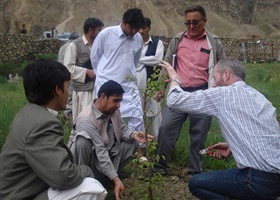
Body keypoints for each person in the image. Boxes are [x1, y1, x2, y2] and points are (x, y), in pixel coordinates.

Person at [159, 58, 280, 200]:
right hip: (276, 179)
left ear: (226, 75)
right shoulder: (260, 97)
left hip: (256, 179)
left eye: (215, 78)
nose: (214, 83)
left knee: (196, 183)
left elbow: (174, 100)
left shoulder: (222, 94)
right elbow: (266, 132)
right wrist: (232, 145)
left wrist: (174, 77)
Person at [0, 59, 107, 200]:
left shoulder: (28, 112)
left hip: (14, 190)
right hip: (19, 195)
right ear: (57, 89)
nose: (68, 92)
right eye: (68, 86)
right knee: (90, 187)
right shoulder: (43, 124)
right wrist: (86, 170)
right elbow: (63, 176)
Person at [153, 5, 226, 176]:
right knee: (165, 128)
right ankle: (160, 167)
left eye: (195, 22)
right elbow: (167, 65)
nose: (191, 26)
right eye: (187, 23)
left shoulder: (214, 43)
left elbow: (223, 69)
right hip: (179, 92)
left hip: (203, 93)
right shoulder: (178, 40)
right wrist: (161, 88)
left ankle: (195, 170)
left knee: (198, 134)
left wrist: (221, 92)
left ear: (204, 21)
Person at [68, 80, 153, 200]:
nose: (119, 105)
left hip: (107, 154)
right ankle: (85, 182)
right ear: (103, 97)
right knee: (82, 141)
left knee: (132, 141)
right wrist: (116, 180)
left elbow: (122, 128)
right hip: (91, 160)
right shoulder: (86, 119)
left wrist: (134, 134)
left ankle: (107, 176)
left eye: (120, 101)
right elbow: (100, 150)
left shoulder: (113, 110)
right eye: (116, 100)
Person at [90, 8, 145, 134]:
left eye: (137, 28)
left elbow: (135, 61)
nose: (134, 31)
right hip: (106, 84)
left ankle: (137, 150)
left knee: (137, 117)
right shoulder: (107, 34)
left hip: (128, 85)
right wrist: (102, 75)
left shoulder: (138, 38)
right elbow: (95, 57)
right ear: (123, 22)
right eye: (132, 28)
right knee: (104, 118)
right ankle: (107, 148)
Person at [64, 18, 104, 122]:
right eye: (99, 30)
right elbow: (68, 68)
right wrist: (86, 72)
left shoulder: (100, 45)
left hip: (97, 90)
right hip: (82, 92)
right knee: (84, 120)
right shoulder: (74, 45)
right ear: (91, 30)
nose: (101, 33)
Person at [136, 17, 164, 140]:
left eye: (144, 28)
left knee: (154, 119)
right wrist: (147, 61)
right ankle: (140, 147)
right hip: (135, 90)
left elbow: (157, 60)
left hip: (152, 88)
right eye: (139, 28)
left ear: (149, 28)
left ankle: (156, 145)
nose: (141, 31)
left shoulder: (157, 43)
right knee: (137, 118)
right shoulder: (133, 43)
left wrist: (138, 60)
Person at [57, 31, 80, 121]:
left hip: (62, 75)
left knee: (66, 95)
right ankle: (68, 115)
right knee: (71, 96)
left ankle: (67, 113)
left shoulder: (62, 47)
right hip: (71, 74)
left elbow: (58, 60)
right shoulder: (74, 46)